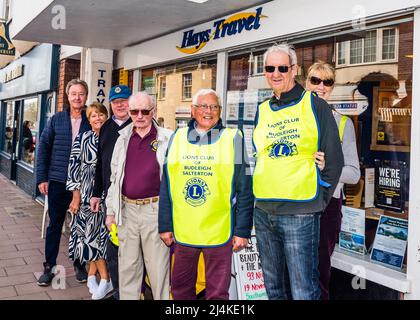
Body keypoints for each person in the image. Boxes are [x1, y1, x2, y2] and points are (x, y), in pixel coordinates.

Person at [252, 44, 344, 300]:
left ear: (293, 70)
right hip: (264, 213)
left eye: (283, 67)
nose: (276, 73)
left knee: (304, 291)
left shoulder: (316, 107)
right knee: (274, 290)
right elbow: (258, 157)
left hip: (300, 214)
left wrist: (318, 202)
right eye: (270, 68)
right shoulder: (262, 110)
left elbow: (334, 162)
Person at [158, 89, 254, 300]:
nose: (208, 111)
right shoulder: (177, 137)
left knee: (218, 294)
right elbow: (167, 185)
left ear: (220, 111)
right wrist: (165, 225)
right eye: (203, 106)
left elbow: (245, 188)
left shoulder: (233, 138)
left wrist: (242, 231)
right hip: (184, 231)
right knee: (181, 290)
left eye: (214, 107)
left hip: (219, 230)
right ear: (193, 110)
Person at [105, 91, 173, 300]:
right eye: (135, 111)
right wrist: (110, 211)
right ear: (129, 112)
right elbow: (114, 178)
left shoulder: (167, 138)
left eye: (145, 111)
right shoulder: (122, 139)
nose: (140, 116)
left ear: (154, 111)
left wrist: (169, 219)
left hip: (155, 211)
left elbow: (174, 181)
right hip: (127, 211)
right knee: (128, 270)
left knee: (159, 271)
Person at [305, 61, 361, 300]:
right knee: (291, 270)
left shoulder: (342, 123)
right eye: (315, 80)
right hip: (294, 204)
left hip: (326, 208)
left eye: (327, 82)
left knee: (318, 274)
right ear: (306, 84)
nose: (321, 86)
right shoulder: (293, 120)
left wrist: (329, 166)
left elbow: (354, 174)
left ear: (332, 87)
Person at [36, 79, 91, 286]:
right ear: (68, 96)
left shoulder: (91, 119)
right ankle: (49, 267)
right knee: (55, 225)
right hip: (58, 181)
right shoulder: (57, 119)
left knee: (79, 226)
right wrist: (42, 177)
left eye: (81, 93)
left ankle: (79, 264)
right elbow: (43, 148)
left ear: (86, 96)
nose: (77, 97)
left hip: (82, 183)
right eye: (74, 93)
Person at [90, 85, 132, 300]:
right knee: (113, 249)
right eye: (116, 102)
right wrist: (97, 193)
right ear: (111, 105)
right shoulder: (106, 127)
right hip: (110, 200)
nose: (120, 105)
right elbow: (100, 163)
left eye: (124, 101)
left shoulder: (139, 124)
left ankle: (134, 292)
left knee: (132, 251)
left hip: (133, 199)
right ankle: (118, 292)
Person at [66, 102, 112, 299]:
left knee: (98, 238)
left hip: (106, 196)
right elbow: (73, 168)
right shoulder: (83, 138)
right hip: (86, 195)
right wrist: (75, 197)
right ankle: (98, 276)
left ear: (106, 116)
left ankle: (103, 278)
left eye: (101, 115)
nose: (98, 118)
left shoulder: (113, 137)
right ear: (89, 119)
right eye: (93, 116)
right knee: (90, 236)